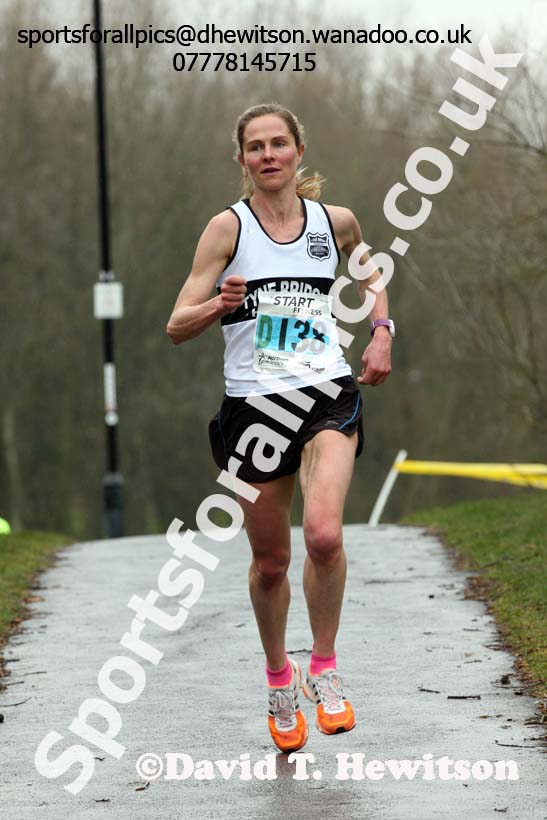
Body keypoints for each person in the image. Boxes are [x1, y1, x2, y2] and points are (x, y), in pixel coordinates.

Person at [166, 103, 393, 753]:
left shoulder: (334, 222)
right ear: (241, 160)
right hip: (254, 409)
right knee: (271, 563)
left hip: (325, 392)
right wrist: (217, 304)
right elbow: (175, 326)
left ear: (297, 150)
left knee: (323, 534)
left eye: (278, 144)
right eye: (255, 147)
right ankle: (276, 677)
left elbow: (368, 270)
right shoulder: (225, 231)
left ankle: (323, 667)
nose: (268, 155)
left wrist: (381, 330)